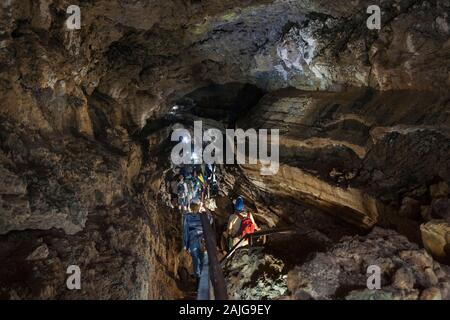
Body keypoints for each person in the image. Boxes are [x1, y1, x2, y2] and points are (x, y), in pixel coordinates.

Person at [182, 203, 211, 281]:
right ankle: (202, 277)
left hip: (192, 241)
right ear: (198, 208)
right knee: (202, 259)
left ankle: (197, 277)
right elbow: (210, 219)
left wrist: (185, 245)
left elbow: (185, 231)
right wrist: (206, 208)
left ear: (190, 208)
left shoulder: (187, 217)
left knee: (195, 259)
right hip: (202, 241)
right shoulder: (203, 216)